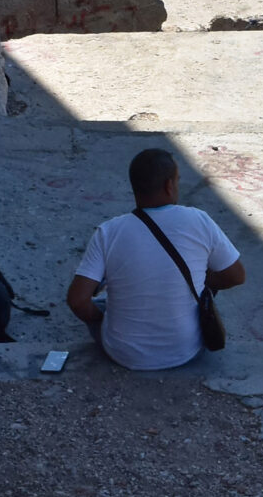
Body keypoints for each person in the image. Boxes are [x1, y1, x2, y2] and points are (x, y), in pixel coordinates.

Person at [66, 148, 245, 370]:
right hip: (185, 350)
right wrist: (205, 280)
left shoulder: (109, 231)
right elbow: (236, 276)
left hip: (122, 353)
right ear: (169, 186)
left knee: (104, 293)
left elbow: (77, 301)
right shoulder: (199, 220)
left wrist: (102, 320)